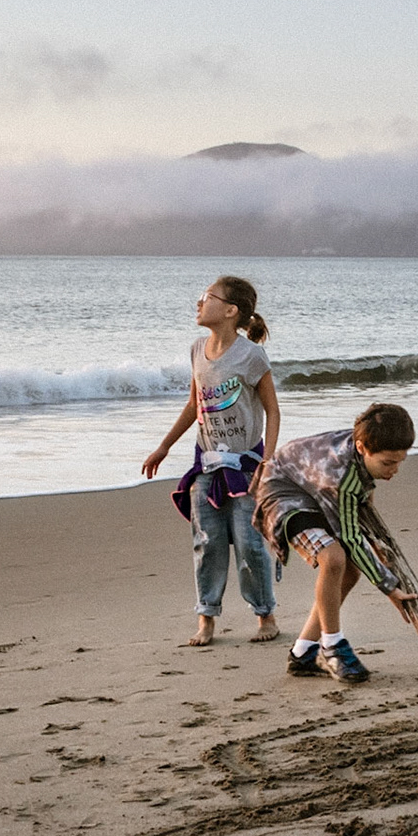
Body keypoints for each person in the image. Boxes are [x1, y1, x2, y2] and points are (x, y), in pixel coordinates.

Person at [140, 276, 281, 647]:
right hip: (206, 465)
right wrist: (164, 446)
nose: (199, 302)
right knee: (207, 542)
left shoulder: (251, 356)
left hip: (245, 468)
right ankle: (206, 618)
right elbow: (194, 405)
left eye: (207, 297)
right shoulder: (197, 349)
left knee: (250, 545)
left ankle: (265, 614)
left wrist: (267, 462)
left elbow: (273, 410)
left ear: (231, 310)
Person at [252, 402, 417, 683]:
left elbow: (361, 502)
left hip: (312, 490)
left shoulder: (363, 451)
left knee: (351, 570)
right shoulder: (340, 477)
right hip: (282, 494)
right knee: (334, 558)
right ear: (362, 448)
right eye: (388, 463)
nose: (395, 469)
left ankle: (303, 652)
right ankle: (332, 646)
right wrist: (389, 587)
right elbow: (351, 536)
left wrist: (378, 553)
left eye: (400, 461)